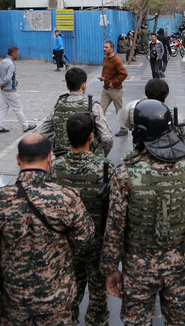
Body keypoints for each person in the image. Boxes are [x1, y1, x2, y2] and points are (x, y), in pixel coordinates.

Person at [100, 100, 185, 325]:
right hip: (179, 265)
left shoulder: (125, 174)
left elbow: (114, 228)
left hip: (138, 268)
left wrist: (110, 268)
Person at [0, 134, 95, 325]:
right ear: (50, 158)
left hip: (14, 300)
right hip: (56, 299)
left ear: (17, 159)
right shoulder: (66, 198)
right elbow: (85, 240)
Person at [48, 114, 111, 323]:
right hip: (96, 243)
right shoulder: (104, 168)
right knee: (98, 297)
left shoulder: (55, 168)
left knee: (70, 295)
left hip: (66, 245)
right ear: (91, 137)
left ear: (66, 136)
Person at [39, 67, 113, 157]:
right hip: (88, 160)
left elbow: (43, 133)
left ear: (67, 85)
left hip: (63, 160)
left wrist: (58, 148)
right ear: (84, 85)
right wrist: (98, 156)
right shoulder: (93, 106)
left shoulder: (59, 106)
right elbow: (107, 139)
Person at [0, 47, 36, 134]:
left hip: (4, 90)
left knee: (3, 108)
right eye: (17, 53)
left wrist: (0, 84)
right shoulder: (11, 64)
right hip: (10, 90)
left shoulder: (3, 61)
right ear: (13, 54)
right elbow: (8, 78)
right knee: (18, 108)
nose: (17, 55)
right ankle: (25, 126)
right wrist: (2, 84)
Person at [144, 78, 185, 150]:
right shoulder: (177, 118)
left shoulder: (141, 116)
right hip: (172, 157)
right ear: (166, 95)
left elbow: (135, 144)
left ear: (146, 94)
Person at [99, 40, 129, 136]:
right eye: (104, 47)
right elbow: (105, 71)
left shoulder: (116, 59)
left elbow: (124, 74)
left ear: (112, 49)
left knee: (119, 110)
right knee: (100, 109)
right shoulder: (105, 58)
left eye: (106, 47)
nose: (104, 49)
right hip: (106, 89)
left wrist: (114, 83)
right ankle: (99, 129)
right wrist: (103, 77)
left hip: (115, 90)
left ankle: (124, 129)